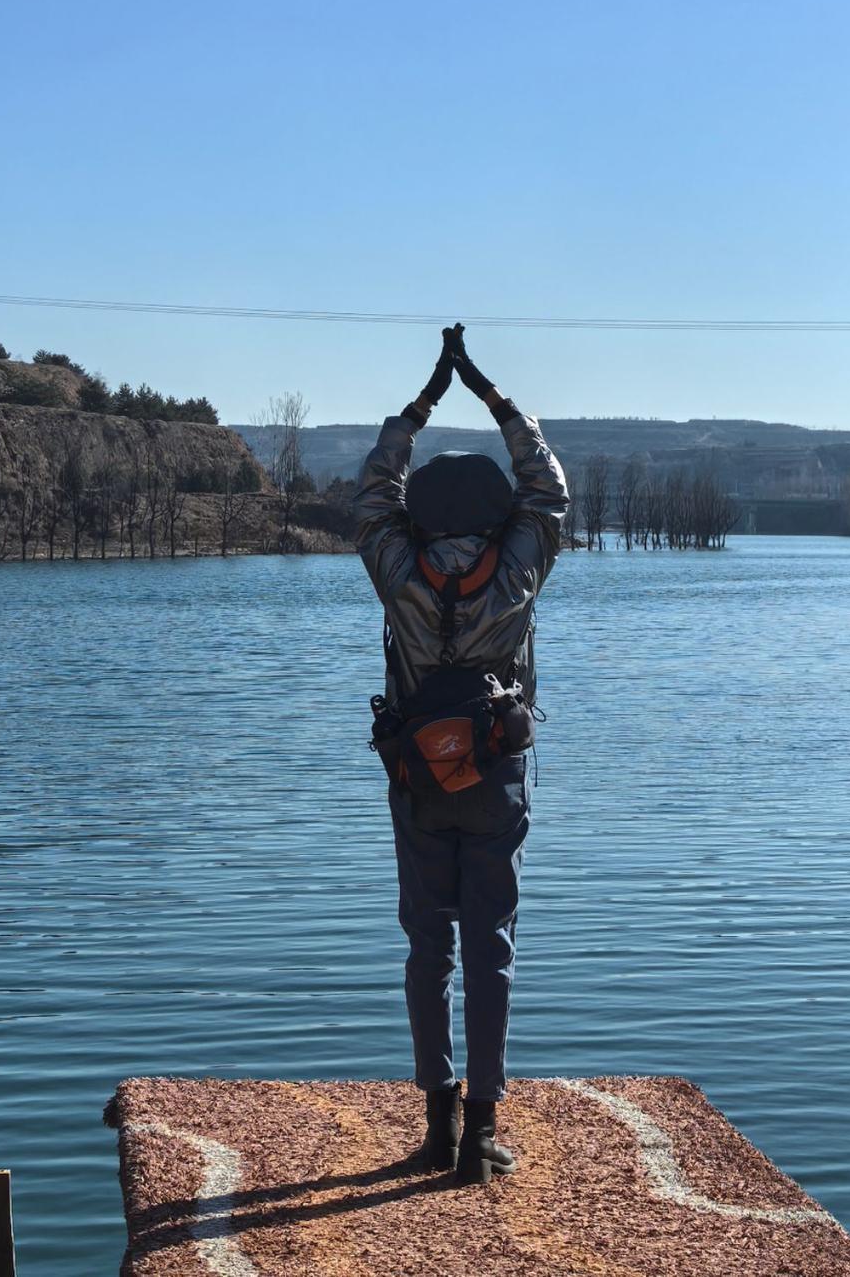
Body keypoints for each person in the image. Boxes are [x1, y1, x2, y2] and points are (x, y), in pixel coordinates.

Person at [352, 325, 569, 1184]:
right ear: (487, 512)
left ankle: (435, 1127)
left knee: (425, 949)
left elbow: (373, 493)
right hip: (496, 782)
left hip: (416, 783)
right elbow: (547, 489)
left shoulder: (397, 569)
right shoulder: (515, 570)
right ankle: (479, 1139)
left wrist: (419, 405)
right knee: (492, 949)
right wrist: (494, 397)